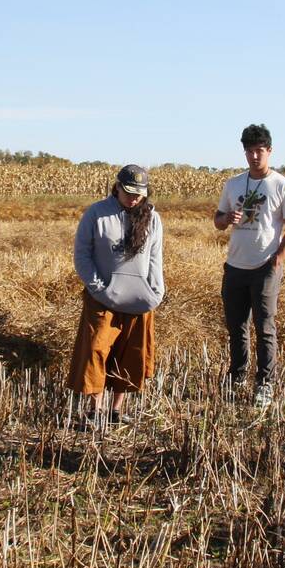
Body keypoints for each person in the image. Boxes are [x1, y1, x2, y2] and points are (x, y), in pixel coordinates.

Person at [213, 124, 285, 407]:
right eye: (249, 151)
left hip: (265, 266)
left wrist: (278, 259)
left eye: (259, 151)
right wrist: (227, 219)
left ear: (270, 151)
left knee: (265, 327)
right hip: (235, 266)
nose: (254, 156)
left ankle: (265, 383)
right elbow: (217, 221)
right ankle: (237, 375)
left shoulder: (283, 186)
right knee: (236, 326)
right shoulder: (233, 184)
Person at [68, 165, 165, 426]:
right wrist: (98, 288)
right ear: (117, 187)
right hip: (102, 299)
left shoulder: (153, 218)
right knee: (96, 351)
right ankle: (94, 410)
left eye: (139, 193)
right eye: (129, 192)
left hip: (138, 298)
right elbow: (82, 255)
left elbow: (155, 258)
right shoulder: (96, 214)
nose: (134, 198)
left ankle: (116, 411)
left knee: (130, 353)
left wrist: (156, 290)